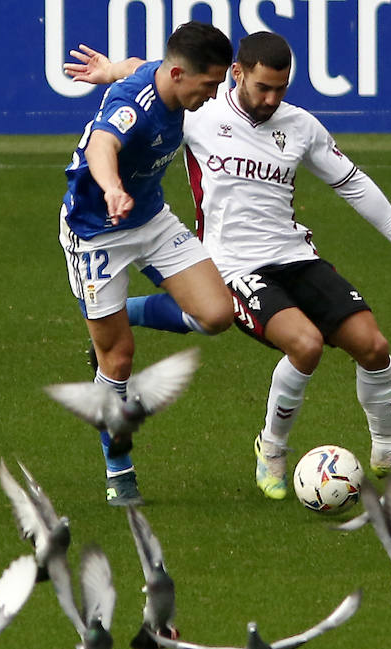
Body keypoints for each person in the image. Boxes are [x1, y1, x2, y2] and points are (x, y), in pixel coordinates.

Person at [65, 32, 391, 502]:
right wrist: (111, 186)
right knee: (296, 345)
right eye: (262, 87)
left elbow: (352, 183)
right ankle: (144, 468)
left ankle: (387, 451)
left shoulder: (296, 125)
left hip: (279, 251)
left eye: (280, 89)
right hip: (152, 244)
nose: (271, 99)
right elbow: (110, 134)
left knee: (371, 345)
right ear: (237, 74)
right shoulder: (200, 108)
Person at [58, 21, 235, 506]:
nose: (213, 94)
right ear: (179, 74)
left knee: (218, 315)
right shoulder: (131, 109)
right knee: (118, 359)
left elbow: (138, 66)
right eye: (209, 84)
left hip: (150, 218)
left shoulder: (161, 76)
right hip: (97, 233)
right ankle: (119, 470)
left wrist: (109, 69)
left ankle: (122, 313)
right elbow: (102, 143)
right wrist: (113, 188)